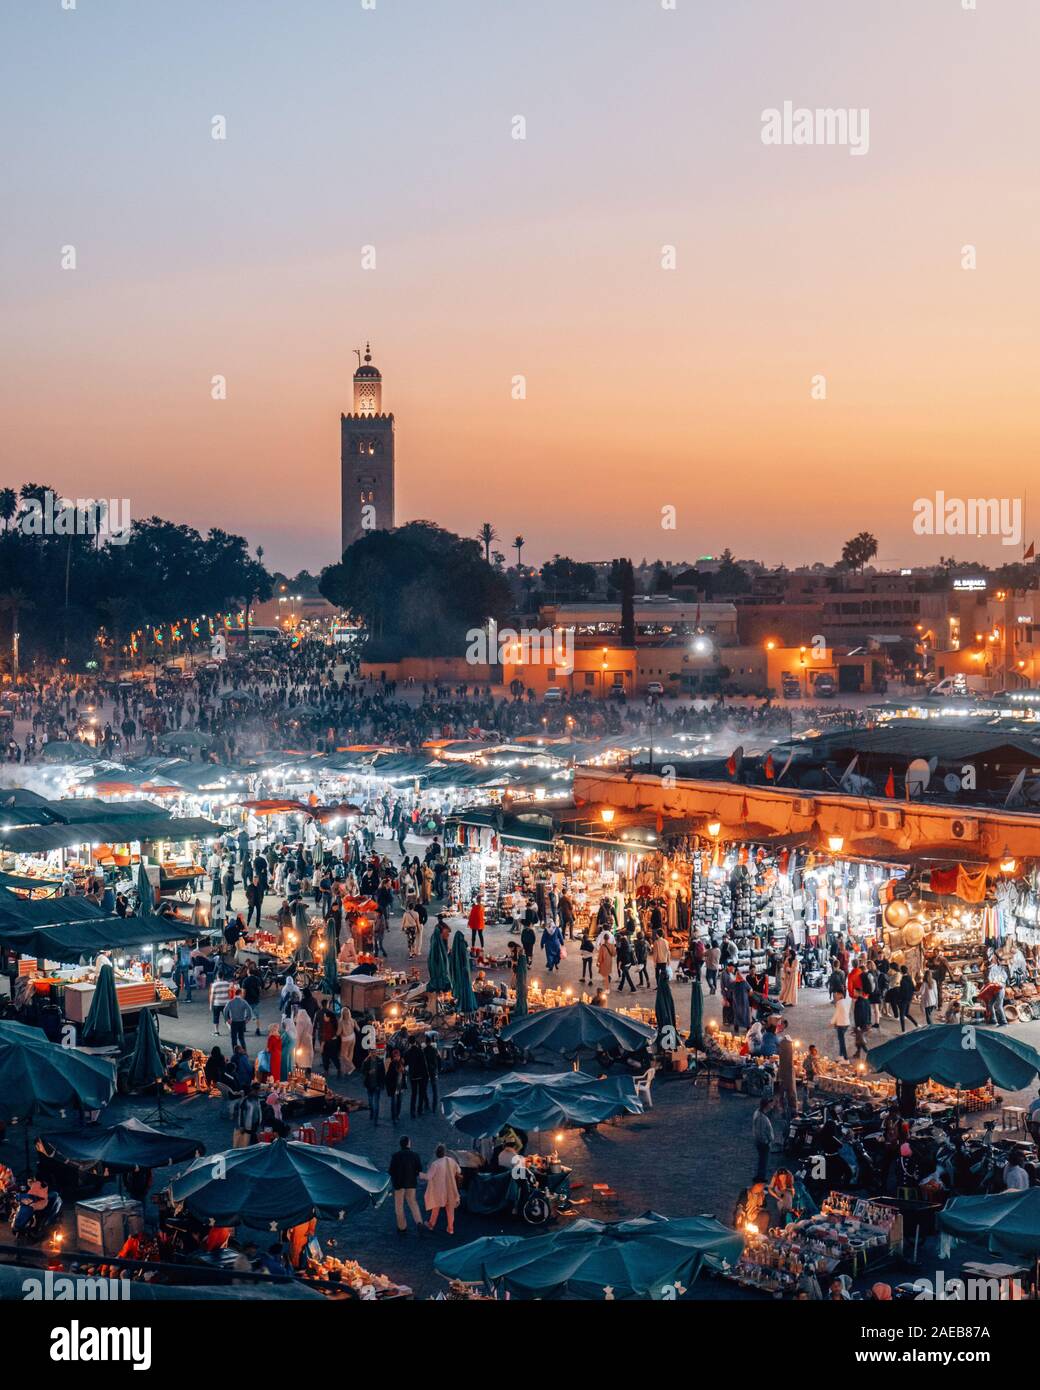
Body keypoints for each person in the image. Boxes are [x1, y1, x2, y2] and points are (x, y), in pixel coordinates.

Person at [422, 1143, 462, 1235]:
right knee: (450, 1210)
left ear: (436, 1153)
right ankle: (450, 1229)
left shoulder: (435, 1164)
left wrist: (420, 1174)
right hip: (451, 1189)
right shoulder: (451, 1161)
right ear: (445, 1152)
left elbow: (428, 1177)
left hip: (440, 1191)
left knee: (436, 1208)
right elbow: (459, 1170)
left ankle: (431, 1225)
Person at [389, 1137, 425, 1236]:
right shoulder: (415, 1155)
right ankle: (419, 1222)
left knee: (399, 1206)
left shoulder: (395, 1156)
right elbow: (419, 1169)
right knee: (412, 1202)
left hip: (399, 1183)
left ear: (401, 1144)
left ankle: (402, 1227)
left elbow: (391, 1171)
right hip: (411, 1182)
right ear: (408, 1144)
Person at [751, 1099, 775, 1183]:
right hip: (763, 1143)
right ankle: (760, 1178)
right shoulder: (762, 1118)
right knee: (763, 1161)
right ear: (766, 1105)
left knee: (762, 1160)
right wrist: (767, 1142)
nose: (772, 1106)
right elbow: (761, 1133)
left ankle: (760, 1176)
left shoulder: (758, 1113)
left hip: (760, 1142)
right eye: (771, 1104)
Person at [405, 1037, 429, 1118]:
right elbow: (424, 1064)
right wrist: (426, 1075)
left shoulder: (407, 1052)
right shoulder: (420, 1051)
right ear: (415, 1042)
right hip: (421, 1075)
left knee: (414, 1094)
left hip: (412, 1076)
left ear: (409, 1043)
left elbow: (405, 1064)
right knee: (421, 1093)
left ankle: (412, 1111)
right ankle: (419, 1110)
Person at [363, 1049, 386, 1125]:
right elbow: (362, 1071)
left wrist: (382, 1084)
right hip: (369, 1085)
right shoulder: (366, 1061)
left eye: (374, 1052)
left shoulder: (380, 1061)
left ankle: (375, 1119)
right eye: (372, 1052)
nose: (373, 1053)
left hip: (377, 1085)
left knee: (376, 1103)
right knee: (370, 1102)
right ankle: (371, 1112)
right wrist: (368, 1072)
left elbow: (383, 1073)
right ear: (369, 1053)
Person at [385, 1047, 407, 1126]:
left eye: (397, 1056)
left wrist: (404, 1070)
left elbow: (404, 1074)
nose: (396, 1058)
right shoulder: (392, 1064)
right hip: (394, 1087)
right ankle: (394, 1117)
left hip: (400, 1086)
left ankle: (397, 1115)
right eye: (395, 1056)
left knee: (399, 1102)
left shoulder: (402, 1063)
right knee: (393, 1103)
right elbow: (388, 1077)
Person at [293, 1004, 314, 1076]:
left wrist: (296, 1046)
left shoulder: (300, 1021)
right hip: (309, 1040)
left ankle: (301, 1074)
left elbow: (298, 1034)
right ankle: (308, 1069)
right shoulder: (308, 1019)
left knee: (301, 1058)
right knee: (308, 1056)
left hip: (302, 1042)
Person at [896, 965, 919, 1032]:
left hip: (903, 999)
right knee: (906, 1013)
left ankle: (903, 1031)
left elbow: (902, 991)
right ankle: (916, 1024)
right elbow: (913, 988)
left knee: (902, 1015)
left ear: (901, 972)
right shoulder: (909, 978)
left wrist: (899, 998)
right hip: (909, 999)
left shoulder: (902, 980)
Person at [830, 988, 851, 1059]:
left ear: (841, 995)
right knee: (841, 1040)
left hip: (841, 1024)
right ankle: (840, 1055)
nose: (836, 996)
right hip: (846, 1023)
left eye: (837, 995)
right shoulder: (847, 1001)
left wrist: (831, 1022)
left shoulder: (839, 1003)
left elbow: (836, 1014)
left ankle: (845, 1058)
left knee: (842, 1042)